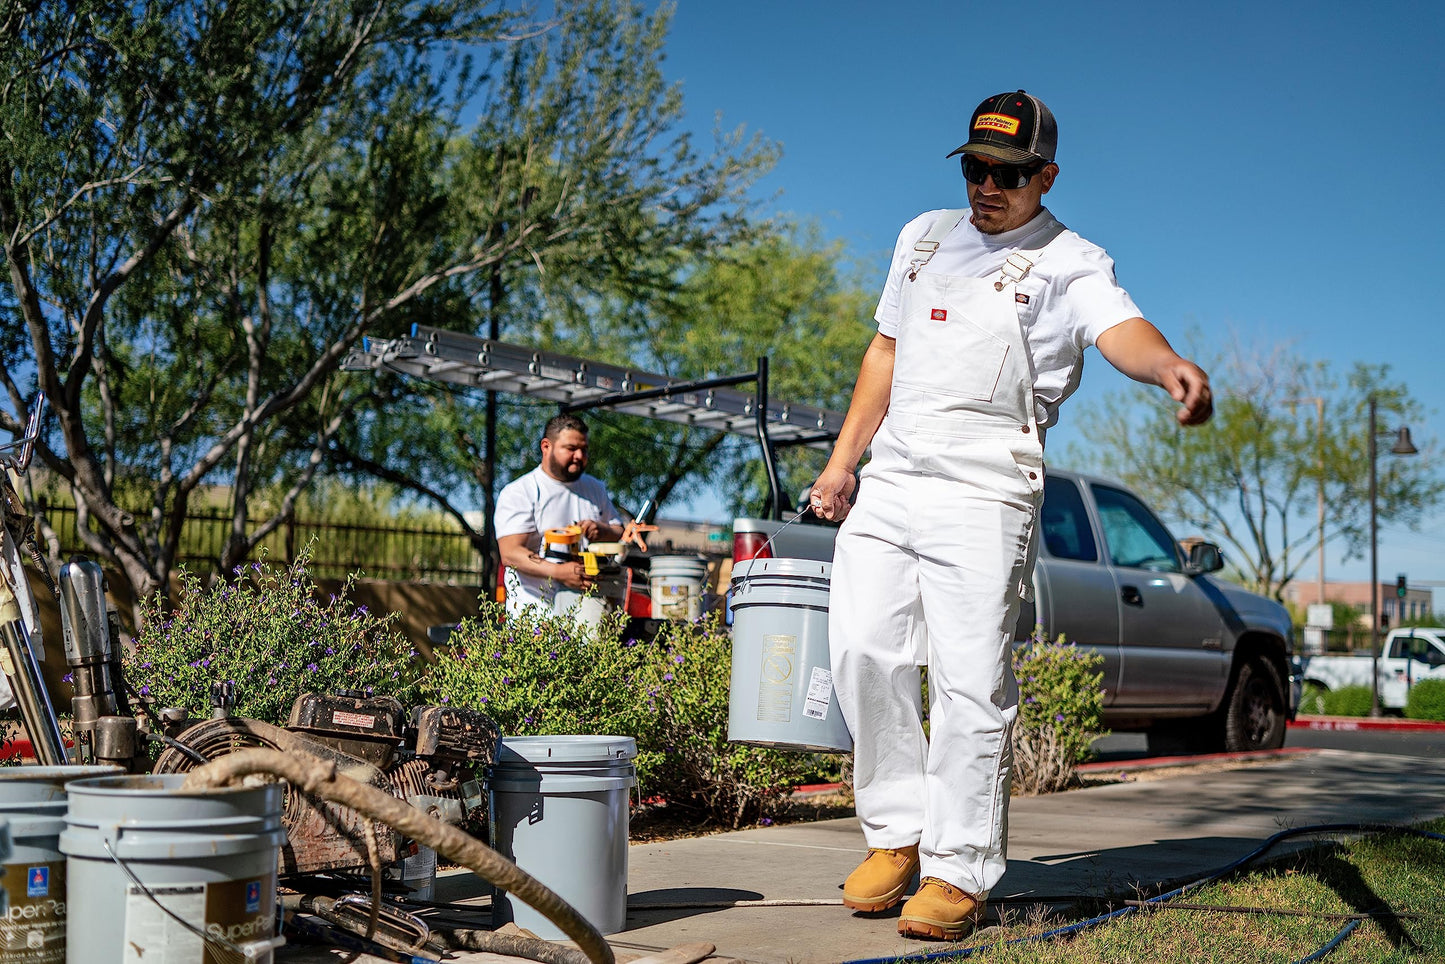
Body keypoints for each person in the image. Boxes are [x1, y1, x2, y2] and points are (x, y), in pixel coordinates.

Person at [808, 90, 1213, 940]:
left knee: (967, 678)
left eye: (1010, 173)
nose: (988, 186)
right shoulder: (920, 237)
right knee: (860, 649)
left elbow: (1120, 329)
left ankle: (957, 870)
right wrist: (843, 462)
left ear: (1046, 174)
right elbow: (884, 349)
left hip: (987, 479)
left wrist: (1167, 365)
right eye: (976, 168)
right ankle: (895, 835)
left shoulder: (1071, 260)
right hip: (895, 469)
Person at [494, 414, 625, 616]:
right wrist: (558, 573)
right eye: (571, 448)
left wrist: (602, 530)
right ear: (546, 447)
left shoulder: (595, 488)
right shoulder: (522, 491)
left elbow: (619, 533)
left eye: (584, 449)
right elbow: (510, 553)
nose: (580, 456)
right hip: (536, 619)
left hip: (589, 615)